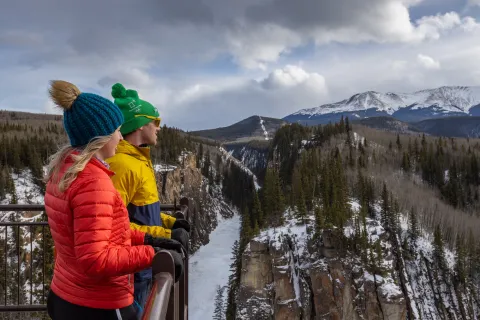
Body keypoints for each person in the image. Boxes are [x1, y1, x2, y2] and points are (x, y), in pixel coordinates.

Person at [44, 80, 184, 320]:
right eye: (117, 130)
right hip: (98, 303)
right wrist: (153, 254)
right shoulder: (93, 182)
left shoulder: (66, 172)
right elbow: (96, 259)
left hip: (67, 293)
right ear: (101, 136)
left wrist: (150, 239)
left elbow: (106, 232)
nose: (121, 137)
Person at [106, 82, 190, 312]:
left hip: (144, 261)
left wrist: (170, 222)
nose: (158, 127)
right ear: (140, 124)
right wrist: (164, 236)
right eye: (155, 121)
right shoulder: (122, 165)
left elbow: (142, 211)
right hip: (132, 271)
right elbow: (113, 226)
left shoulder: (137, 161)